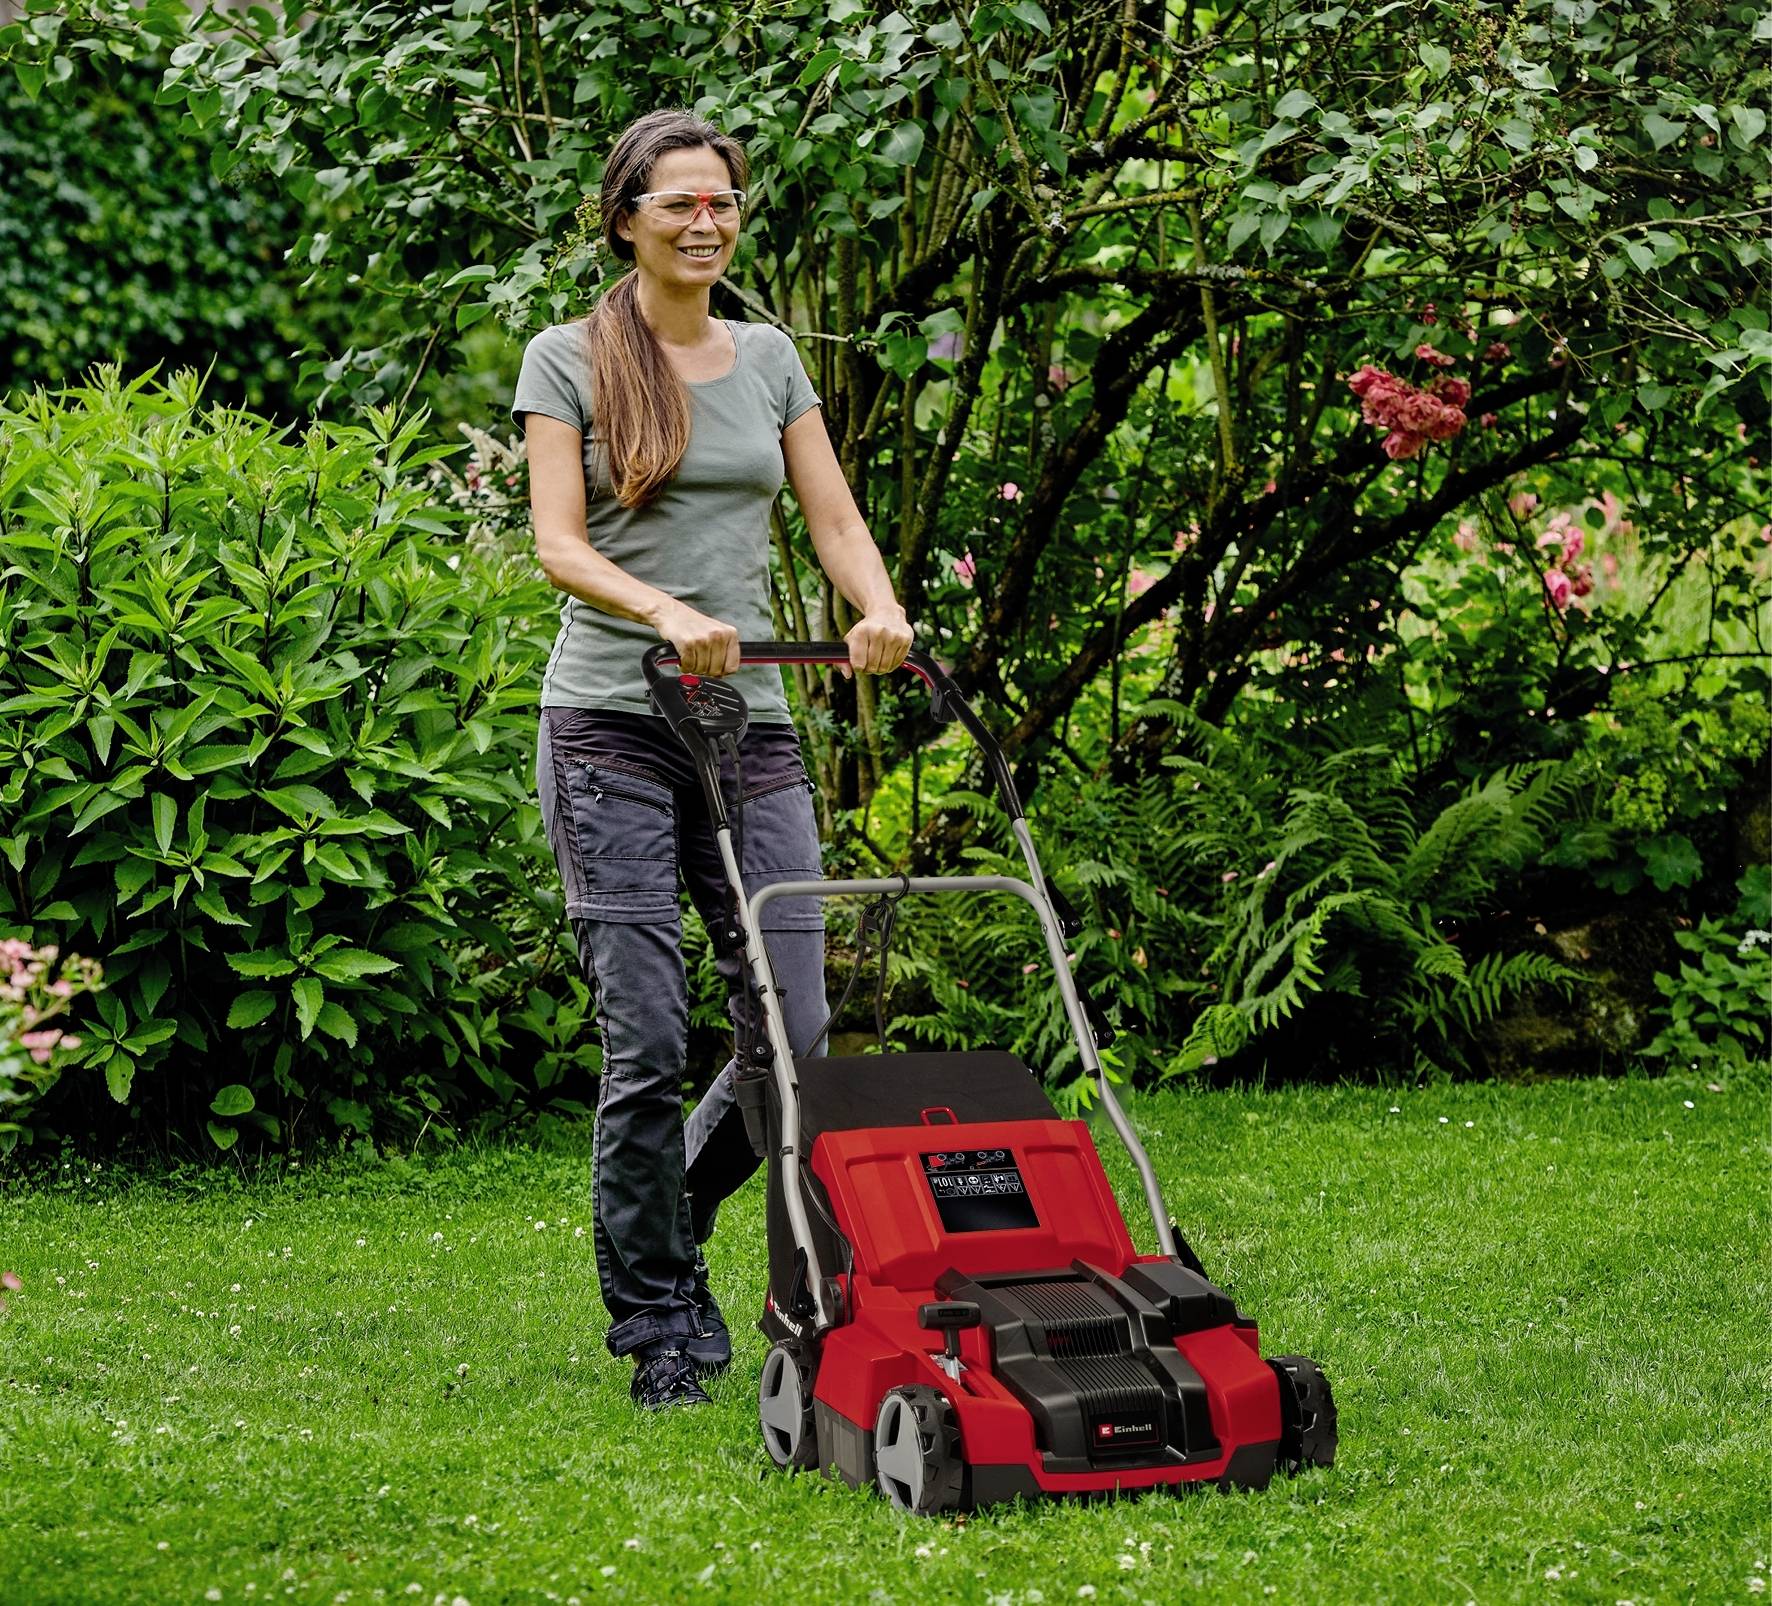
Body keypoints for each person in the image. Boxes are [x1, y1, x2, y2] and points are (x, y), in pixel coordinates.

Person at [511, 109, 913, 1411]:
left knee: (792, 1031)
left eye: (722, 202)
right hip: (610, 727)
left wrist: (877, 605)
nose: (705, 221)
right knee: (644, 1041)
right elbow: (561, 545)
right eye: (678, 202)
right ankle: (660, 1323)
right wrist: (667, 611)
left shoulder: (773, 359)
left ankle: (671, 1208)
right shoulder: (567, 358)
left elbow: (834, 513)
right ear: (625, 215)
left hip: (753, 730)